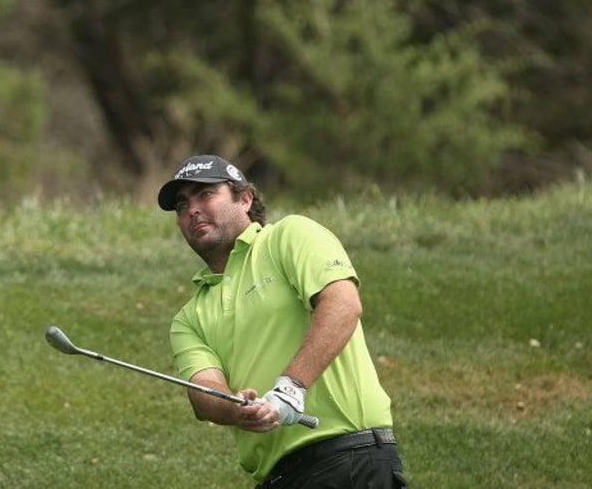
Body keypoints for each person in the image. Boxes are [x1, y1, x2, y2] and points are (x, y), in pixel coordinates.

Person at [157, 155, 407, 488]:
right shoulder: (189, 318)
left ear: (245, 199)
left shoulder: (288, 237)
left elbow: (343, 304)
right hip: (278, 478)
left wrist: (291, 387)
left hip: (350, 459)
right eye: (181, 204)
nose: (192, 210)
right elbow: (204, 392)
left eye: (205, 194)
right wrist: (236, 409)